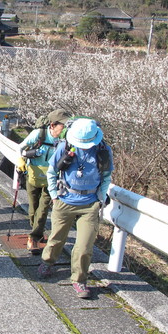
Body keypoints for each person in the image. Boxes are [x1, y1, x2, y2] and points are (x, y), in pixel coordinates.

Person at [37, 118, 113, 299]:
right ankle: (48, 261)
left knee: (85, 246)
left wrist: (101, 198)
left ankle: (79, 279)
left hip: (90, 203)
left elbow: (107, 176)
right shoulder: (64, 147)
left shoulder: (103, 151)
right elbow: (52, 172)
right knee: (57, 237)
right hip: (64, 200)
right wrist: (54, 195)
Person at [18, 109, 71, 254]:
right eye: (63, 125)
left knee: (43, 209)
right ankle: (36, 229)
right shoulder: (39, 134)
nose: (65, 128)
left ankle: (34, 237)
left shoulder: (65, 140)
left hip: (51, 179)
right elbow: (21, 147)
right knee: (33, 208)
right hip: (33, 175)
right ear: (53, 125)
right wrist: (21, 160)